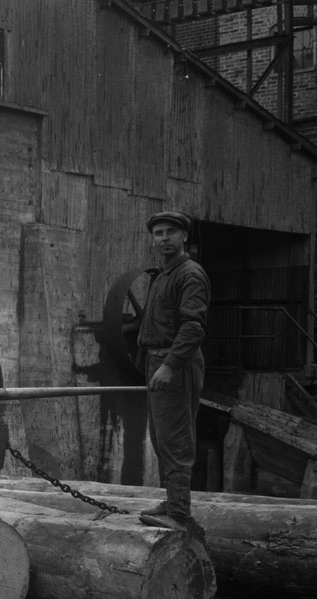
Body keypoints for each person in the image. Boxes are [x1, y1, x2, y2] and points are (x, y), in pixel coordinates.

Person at [136, 211, 210, 542]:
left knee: (177, 438)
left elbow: (193, 326)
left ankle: (180, 513)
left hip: (175, 365)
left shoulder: (189, 274)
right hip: (158, 362)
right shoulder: (164, 274)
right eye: (158, 233)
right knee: (163, 437)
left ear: (183, 238)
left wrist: (169, 365)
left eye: (170, 232)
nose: (163, 238)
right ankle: (172, 502)